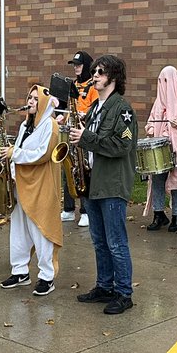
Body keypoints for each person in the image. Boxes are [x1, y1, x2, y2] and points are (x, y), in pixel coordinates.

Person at [73, 55, 138, 315]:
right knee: (99, 241)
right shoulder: (95, 109)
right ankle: (104, 286)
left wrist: (86, 137)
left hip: (112, 183)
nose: (95, 76)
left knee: (116, 242)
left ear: (113, 76)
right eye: (93, 72)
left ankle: (124, 293)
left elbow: (123, 145)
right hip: (92, 183)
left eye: (100, 72)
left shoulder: (123, 109)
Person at [0, 84, 63, 295]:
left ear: (43, 103)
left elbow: (42, 153)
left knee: (42, 231)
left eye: (35, 99)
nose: (30, 102)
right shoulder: (26, 125)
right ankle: (20, 271)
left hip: (41, 186)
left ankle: (47, 277)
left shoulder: (51, 126)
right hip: (22, 185)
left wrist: (14, 153)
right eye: (29, 98)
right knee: (18, 231)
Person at [144, 66, 177, 234]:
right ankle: (159, 214)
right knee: (157, 179)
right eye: (161, 81)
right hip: (161, 147)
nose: (163, 84)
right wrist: (150, 128)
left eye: (166, 81)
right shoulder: (159, 101)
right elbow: (152, 120)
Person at [61, 50, 97, 227]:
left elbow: (96, 109)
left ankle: (85, 211)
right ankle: (68, 209)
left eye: (79, 65)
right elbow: (69, 107)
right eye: (74, 65)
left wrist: (85, 115)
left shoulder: (93, 86)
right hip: (71, 131)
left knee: (83, 171)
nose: (76, 68)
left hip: (85, 133)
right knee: (68, 170)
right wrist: (64, 117)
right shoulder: (73, 85)